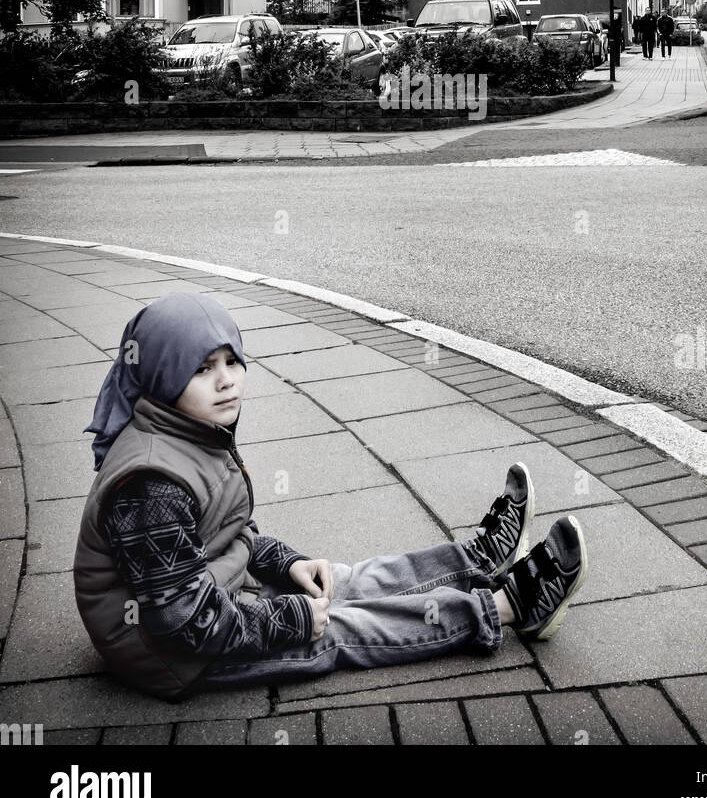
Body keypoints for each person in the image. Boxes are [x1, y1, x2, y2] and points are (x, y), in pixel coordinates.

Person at [74, 294, 588, 700]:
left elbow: (223, 534)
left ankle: (476, 561)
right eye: (203, 368)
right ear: (164, 375)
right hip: (168, 653)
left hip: (216, 597)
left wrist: (286, 565)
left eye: (233, 360)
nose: (227, 380)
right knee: (339, 629)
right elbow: (186, 622)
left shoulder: (189, 429)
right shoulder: (150, 486)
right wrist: (292, 619)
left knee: (339, 578)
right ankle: (503, 608)